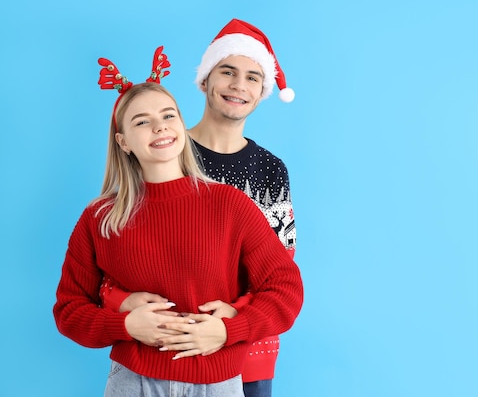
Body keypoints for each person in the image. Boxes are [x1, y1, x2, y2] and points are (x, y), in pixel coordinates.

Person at [53, 47, 304, 397]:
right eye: (141, 121)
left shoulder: (231, 204)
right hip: (132, 380)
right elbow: (69, 310)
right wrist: (124, 324)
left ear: (180, 126)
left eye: (168, 115)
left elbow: (285, 289)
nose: (159, 126)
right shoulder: (100, 218)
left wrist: (229, 329)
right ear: (123, 141)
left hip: (216, 382)